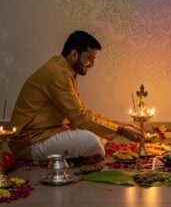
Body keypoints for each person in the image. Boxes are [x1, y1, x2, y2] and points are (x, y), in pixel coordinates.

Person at [8, 30, 144, 163]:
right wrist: (121, 130)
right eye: (90, 58)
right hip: (30, 142)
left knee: (98, 134)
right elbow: (79, 117)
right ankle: (86, 154)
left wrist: (118, 124)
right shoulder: (57, 73)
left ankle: (85, 154)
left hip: (51, 132)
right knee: (90, 140)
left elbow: (81, 112)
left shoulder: (65, 70)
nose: (92, 64)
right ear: (74, 54)